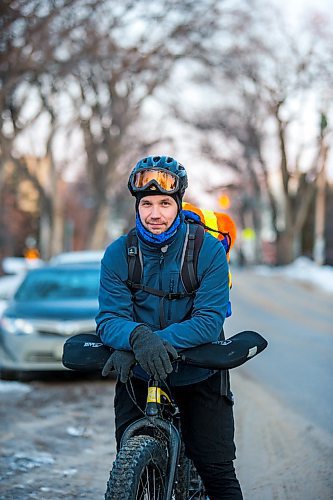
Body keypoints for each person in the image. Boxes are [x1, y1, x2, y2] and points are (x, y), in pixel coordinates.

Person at [96, 155, 243, 499]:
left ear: (178, 204)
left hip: (199, 370)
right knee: (129, 468)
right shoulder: (119, 254)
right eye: (147, 203)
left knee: (217, 470)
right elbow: (109, 317)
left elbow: (209, 320)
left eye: (164, 203)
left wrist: (152, 342)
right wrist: (136, 336)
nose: (155, 213)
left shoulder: (206, 251)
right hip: (139, 374)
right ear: (137, 206)